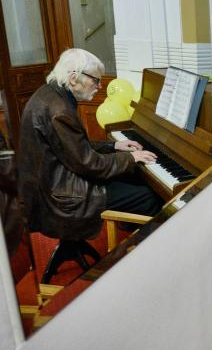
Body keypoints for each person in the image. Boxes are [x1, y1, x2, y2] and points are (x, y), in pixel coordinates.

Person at [17, 48, 163, 241]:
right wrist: (130, 157)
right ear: (73, 78)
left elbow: (73, 147)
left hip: (52, 185)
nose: (100, 86)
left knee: (132, 177)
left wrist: (113, 147)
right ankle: (139, 252)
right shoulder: (59, 110)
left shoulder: (49, 94)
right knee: (148, 196)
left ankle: (130, 232)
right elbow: (88, 163)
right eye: (95, 80)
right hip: (64, 196)